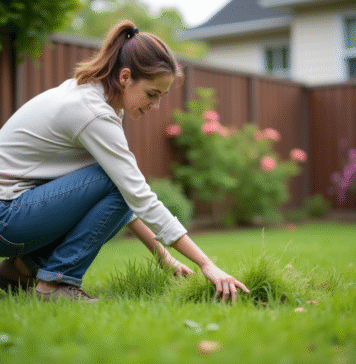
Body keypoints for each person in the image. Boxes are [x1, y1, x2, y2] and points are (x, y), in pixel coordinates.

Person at [0, 20, 249, 304]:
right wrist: (206, 264)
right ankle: (56, 283)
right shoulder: (92, 112)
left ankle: (19, 271)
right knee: (117, 181)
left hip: (12, 214)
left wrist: (163, 256)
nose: (155, 107)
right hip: (6, 217)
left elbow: (117, 205)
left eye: (161, 97)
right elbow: (134, 193)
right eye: (151, 94)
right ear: (126, 77)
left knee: (115, 183)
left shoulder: (93, 98)